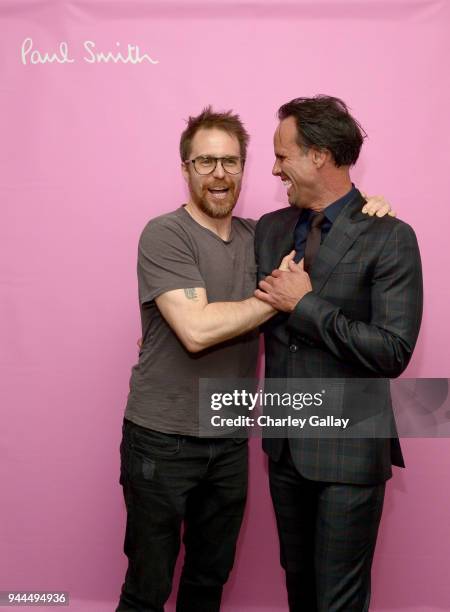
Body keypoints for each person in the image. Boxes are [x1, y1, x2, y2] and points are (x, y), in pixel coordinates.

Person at [116, 106, 393, 612]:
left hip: (228, 441)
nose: (220, 173)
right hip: (163, 438)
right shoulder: (165, 234)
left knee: (208, 580)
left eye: (231, 161)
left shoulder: (261, 235)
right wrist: (282, 299)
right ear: (185, 169)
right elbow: (196, 331)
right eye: (205, 162)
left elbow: (333, 239)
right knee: (147, 587)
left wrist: (366, 209)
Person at [254, 95, 423, 611]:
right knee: (299, 592)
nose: (274, 166)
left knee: (339, 602)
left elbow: (392, 351)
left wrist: (305, 305)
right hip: (284, 448)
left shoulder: (390, 236)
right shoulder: (270, 228)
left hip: (350, 453)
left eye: (283, 155)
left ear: (319, 156)